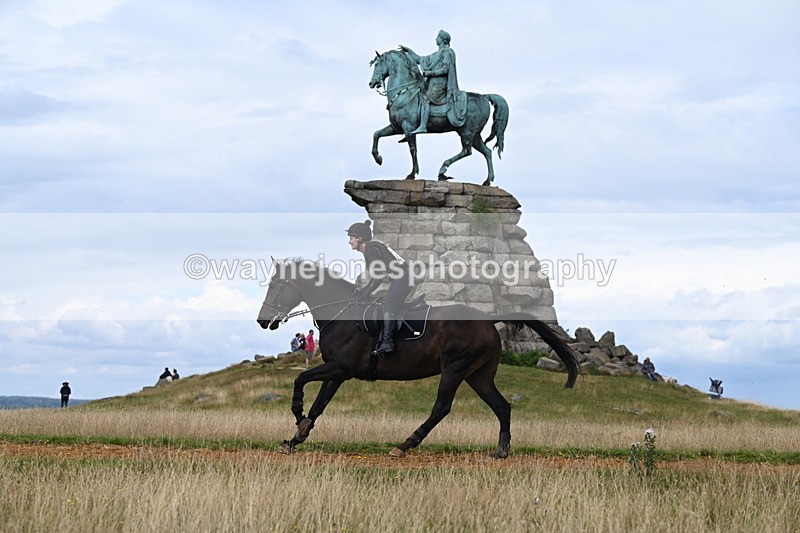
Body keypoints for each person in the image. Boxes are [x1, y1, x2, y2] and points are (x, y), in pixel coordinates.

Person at [347, 219, 412, 356]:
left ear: (359, 238)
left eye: (351, 238)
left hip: (403, 278)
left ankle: (387, 342)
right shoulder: (372, 248)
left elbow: (378, 277)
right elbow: (376, 277)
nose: (349, 242)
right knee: (385, 304)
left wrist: (365, 293)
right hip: (403, 277)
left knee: (388, 307)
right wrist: (364, 291)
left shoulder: (371, 250)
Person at [399, 29, 466, 135]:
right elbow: (420, 59)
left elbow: (445, 70)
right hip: (432, 83)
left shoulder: (447, 52)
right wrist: (409, 51)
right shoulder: (435, 54)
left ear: (443, 39)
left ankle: (423, 126)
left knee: (425, 98)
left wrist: (429, 73)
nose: (436, 39)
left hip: (440, 84)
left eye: (438, 37)